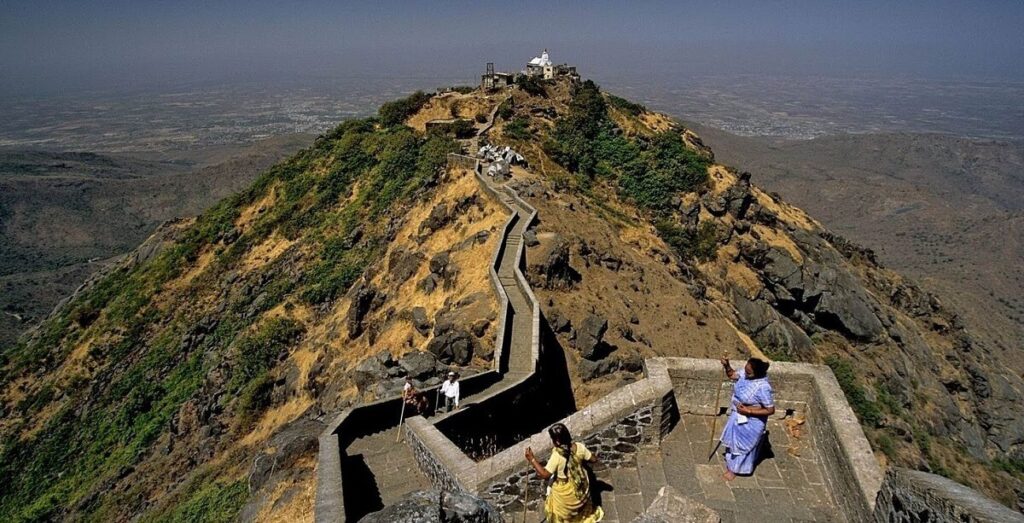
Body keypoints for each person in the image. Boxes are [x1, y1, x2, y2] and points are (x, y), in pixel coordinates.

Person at [525, 423, 604, 523]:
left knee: (559, 509)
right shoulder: (579, 447)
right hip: (580, 486)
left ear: (557, 441)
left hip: (565, 490)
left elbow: (545, 474)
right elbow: (593, 459)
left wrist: (532, 459)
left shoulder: (557, 456)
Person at [718, 356, 775, 481]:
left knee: (743, 446)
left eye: (749, 372)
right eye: (746, 369)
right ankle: (732, 463)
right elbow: (732, 375)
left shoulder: (763, 387)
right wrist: (727, 365)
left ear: (757, 373)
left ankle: (734, 469)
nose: (745, 373)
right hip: (737, 413)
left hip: (752, 420)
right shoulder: (744, 373)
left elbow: (770, 410)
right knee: (734, 441)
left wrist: (748, 411)